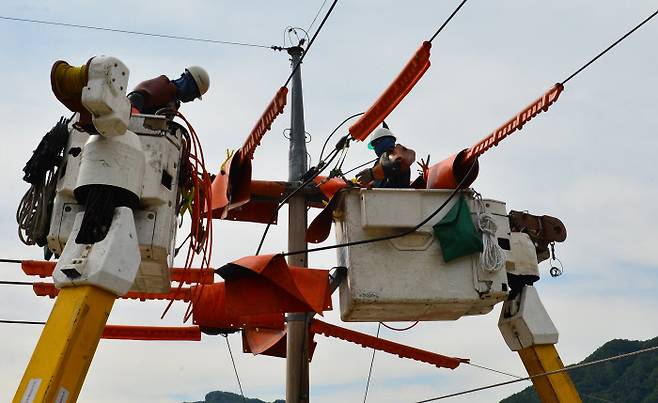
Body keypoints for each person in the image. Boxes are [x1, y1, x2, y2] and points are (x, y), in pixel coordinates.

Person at [355, 123, 416, 188]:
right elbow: (377, 184)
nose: (375, 149)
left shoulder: (396, 153)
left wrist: (372, 173)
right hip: (380, 196)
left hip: (396, 196)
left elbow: (400, 160)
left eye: (375, 145)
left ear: (380, 142)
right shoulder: (380, 162)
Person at [128, 66, 210, 114]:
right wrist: (133, 116)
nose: (192, 99)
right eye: (194, 95)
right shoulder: (163, 86)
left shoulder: (173, 103)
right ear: (190, 86)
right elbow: (136, 96)